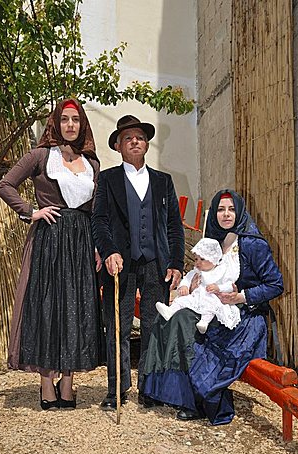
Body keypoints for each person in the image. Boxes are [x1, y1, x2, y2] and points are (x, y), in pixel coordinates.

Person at [0, 98, 103, 410]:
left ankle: (67, 384)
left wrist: (98, 245)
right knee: (47, 306)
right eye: (65, 119)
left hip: (81, 242)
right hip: (49, 240)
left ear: (82, 125)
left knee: (76, 307)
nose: (71, 125)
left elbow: (96, 212)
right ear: (55, 123)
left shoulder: (92, 164)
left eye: (76, 120)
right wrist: (31, 211)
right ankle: (46, 383)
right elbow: (5, 185)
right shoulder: (41, 156)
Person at [144, 189, 283, 424]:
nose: (226, 214)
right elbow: (201, 271)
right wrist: (191, 284)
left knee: (188, 328)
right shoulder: (213, 241)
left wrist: (241, 297)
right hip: (209, 304)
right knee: (170, 320)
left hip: (244, 316)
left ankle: (203, 403)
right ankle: (169, 393)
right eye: (220, 209)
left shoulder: (251, 244)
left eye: (231, 209)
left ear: (239, 212)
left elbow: (275, 284)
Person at [91, 115, 185, 410]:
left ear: (146, 145)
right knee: (116, 326)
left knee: (153, 327)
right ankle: (115, 390)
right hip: (119, 264)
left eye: (140, 137)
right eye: (128, 138)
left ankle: (150, 387)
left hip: (155, 263)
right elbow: (100, 220)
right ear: (118, 146)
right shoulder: (108, 179)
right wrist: (108, 252)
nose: (135, 141)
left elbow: (173, 225)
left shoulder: (163, 181)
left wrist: (176, 261)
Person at [155, 237, 241, 333]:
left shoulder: (221, 272)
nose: (198, 263)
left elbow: (229, 285)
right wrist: (184, 286)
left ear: (213, 258)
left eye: (202, 259)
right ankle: (170, 311)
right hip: (196, 297)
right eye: (196, 259)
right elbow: (187, 279)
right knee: (181, 300)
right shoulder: (196, 272)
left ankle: (204, 323)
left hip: (211, 298)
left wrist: (218, 288)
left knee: (210, 309)